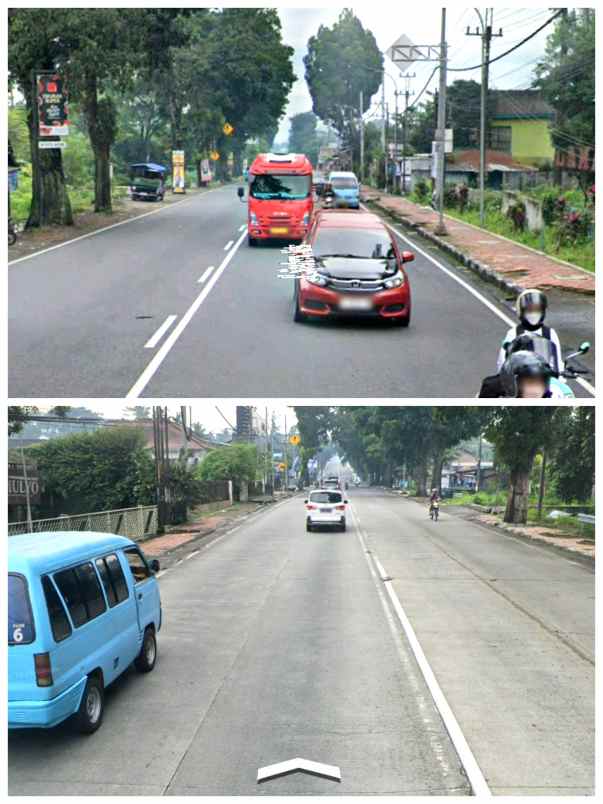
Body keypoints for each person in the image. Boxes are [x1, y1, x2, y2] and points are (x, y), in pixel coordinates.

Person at [497, 289, 563, 374]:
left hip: (545, 380)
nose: (533, 313)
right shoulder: (513, 333)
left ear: (543, 311)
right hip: (521, 381)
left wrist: (559, 376)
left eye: (537, 309)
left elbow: (557, 361)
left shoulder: (550, 333)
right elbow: (502, 362)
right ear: (521, 311)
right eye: (529, 310)